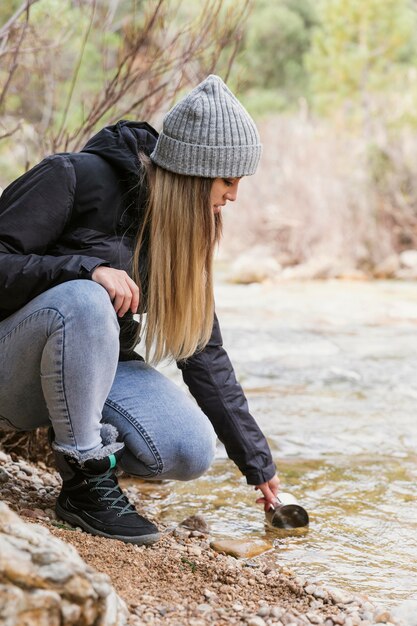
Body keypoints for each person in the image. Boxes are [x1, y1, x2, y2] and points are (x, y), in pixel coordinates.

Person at [0, 75, 279, 545]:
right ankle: (87, 481)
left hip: (75, 372)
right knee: (87, 299)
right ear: (193, 173)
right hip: (10, 364)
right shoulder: (74, 177)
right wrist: (86, 269)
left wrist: (258, 465)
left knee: (189, 450)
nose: (233, 195)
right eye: (228, 180)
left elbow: (203, 350)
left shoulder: (184, 232)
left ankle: (88, 448)